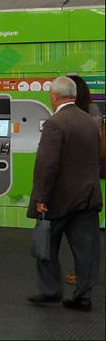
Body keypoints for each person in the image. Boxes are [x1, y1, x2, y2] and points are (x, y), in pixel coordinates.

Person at [27, 76, 102, 312]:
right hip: (88, 196)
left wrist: (41, 198)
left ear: (54, 96)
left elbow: (47, 165)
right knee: (86, 250)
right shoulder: (90, 121)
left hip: (59, 199)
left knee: (46, 243)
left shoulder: (55, 123)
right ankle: (83, 296)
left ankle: (50, 290)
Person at [64, 75, 104, 286]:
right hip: (91, 178)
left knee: (74, 232)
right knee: (88, 233)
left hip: (72, 181)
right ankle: (88, 273)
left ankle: (81, 274)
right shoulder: (94, 112)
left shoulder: (71, 116)